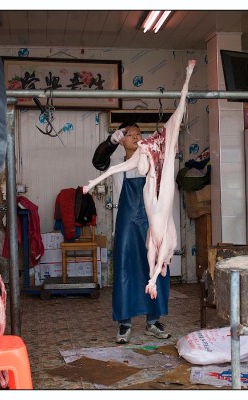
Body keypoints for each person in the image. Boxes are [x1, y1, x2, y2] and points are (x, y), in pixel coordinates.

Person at [92, 122, 171, 344]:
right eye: (129, 134)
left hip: (153, 222)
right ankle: (124, 324)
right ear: (121, 140)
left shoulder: (152, 160)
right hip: (126, 223)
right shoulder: (116, 163)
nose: (135, 137)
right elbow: (98, 161)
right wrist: (110, 142)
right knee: (125, 270)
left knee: (155, 268)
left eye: (138, 133)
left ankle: (153, 321)